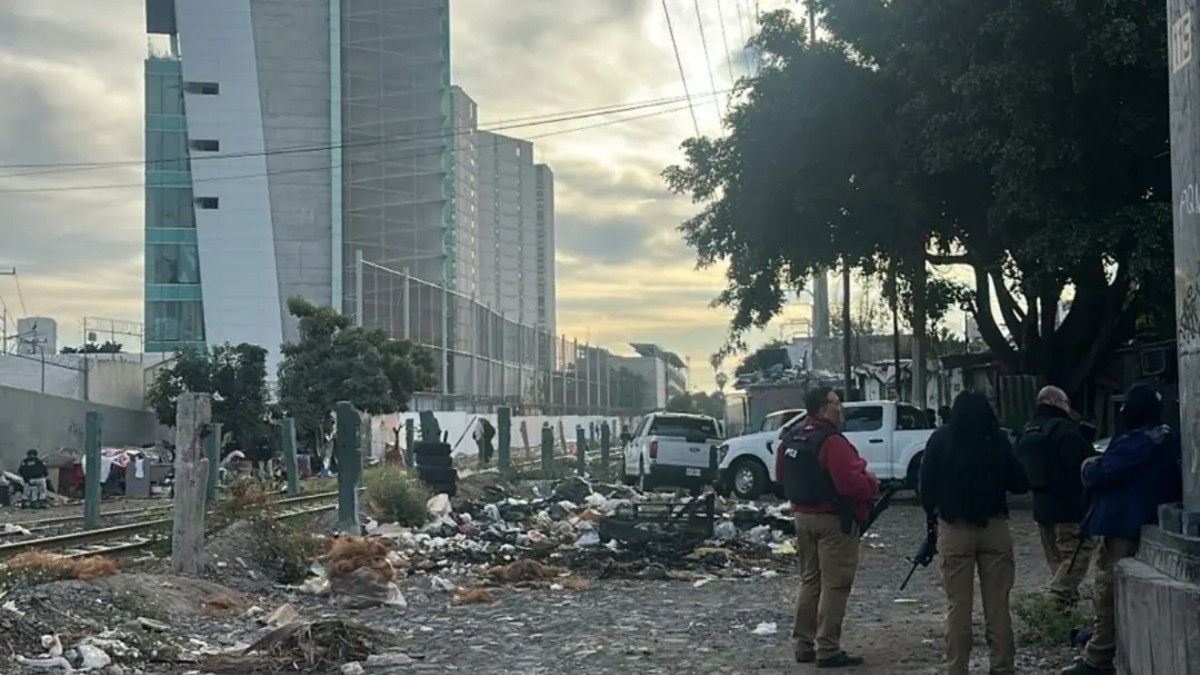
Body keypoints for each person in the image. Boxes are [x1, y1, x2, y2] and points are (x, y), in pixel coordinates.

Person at [1062, 383, 1182, 675]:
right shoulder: (1164, 438)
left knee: (1106, 591)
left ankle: (1098, 658)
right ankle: (1100, 644)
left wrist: (1088, 466)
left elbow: (1102, 474)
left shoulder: (1140, 442)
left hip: (1122, 525)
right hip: (1146, 523)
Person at [920, 390, 1029, 675]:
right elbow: (1020, 483)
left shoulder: (941, 439)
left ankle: (958, 668)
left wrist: (931, 522)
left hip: (954, 530)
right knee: (997, 605)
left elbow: (925, 488)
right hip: (994, 528)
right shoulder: (997, 439)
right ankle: (1003, 666)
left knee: (958, 605)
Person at [775, 386, 879, 668]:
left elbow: (780, 476)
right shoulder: (831, 441)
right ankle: (828, 648)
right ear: (821, 409)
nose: (840, 409)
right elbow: (851, 483)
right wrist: (872, 483)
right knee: (835, 584)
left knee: (810, 581)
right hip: (834, 521)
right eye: (835, 404)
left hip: (802, 518)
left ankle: (803, 643)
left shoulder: (792, 437)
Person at [1016, 386, 1097, 606]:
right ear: (1056, 402)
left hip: (1042, 508)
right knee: (1075, 557)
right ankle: (1053, 603)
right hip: (1069, 508)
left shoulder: (1029, 429)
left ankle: (1065, 610)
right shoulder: (1065, 430)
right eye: (1065, 402)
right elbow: (1084, 464)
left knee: (1058, 562)